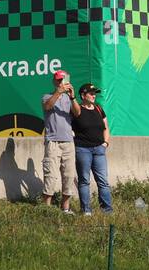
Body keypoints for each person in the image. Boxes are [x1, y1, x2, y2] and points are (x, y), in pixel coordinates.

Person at [39, 70, 78, 213]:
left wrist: (73, 97)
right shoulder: (47, 96)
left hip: (68, 141)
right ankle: (46, 209)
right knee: (51, 175)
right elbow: (48, 106)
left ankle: (65, 208)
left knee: (68, 175)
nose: (62, 82)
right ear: (55, 82)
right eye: (59, 80)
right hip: (53, 141)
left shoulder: (69, 99)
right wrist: (59, 92)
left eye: (64, 80)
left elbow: (78, 113)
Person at [71, 83, 112, 215]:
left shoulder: (99, 108)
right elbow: (72, 121)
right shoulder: (77, 109)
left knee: (103, 181)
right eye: (91, 93)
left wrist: (105, 143)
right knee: (84, 181)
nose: (94, 95)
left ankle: (107, 210)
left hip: (99, 149)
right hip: (83, 150)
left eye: (95, 93)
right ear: (83, 95)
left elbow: (106, 127)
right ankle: (86, 211)